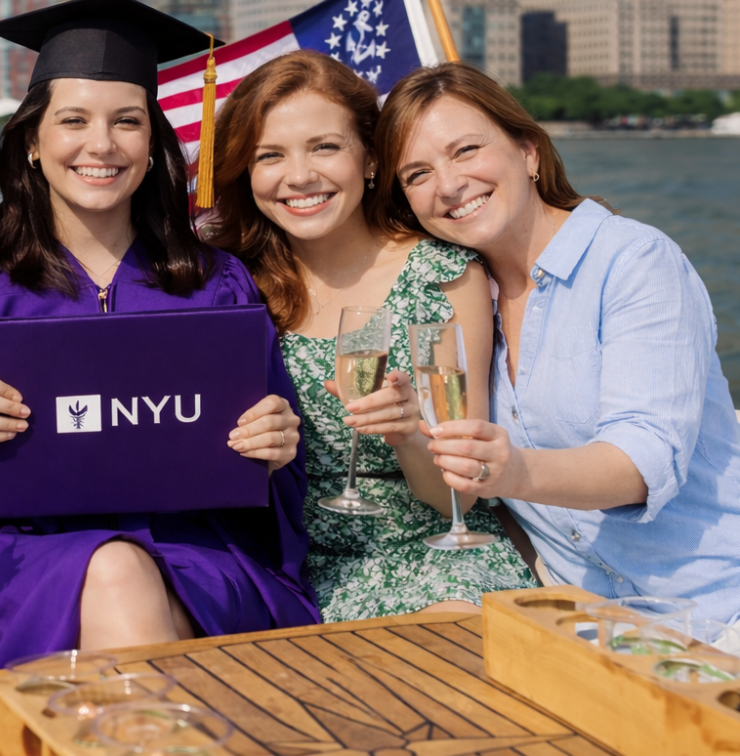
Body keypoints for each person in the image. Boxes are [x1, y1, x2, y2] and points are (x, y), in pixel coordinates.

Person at [375, 62, 740, 706]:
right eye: (417, 174)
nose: (449, 184)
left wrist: (513, 472)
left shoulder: (635, 260)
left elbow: (645, 458)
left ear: (529, 152)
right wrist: (407, 435)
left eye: (466, 149)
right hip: (613, 628)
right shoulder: (457, 304)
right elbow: (458, 486)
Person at [0, 0, 320, 683]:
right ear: (32, 139)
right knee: (115, 573)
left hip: (199, 551)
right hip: (19, 561)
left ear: (153, 144)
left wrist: (272, 448)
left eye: (127, 122)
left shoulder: (217, 281)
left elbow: (276, 482)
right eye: (74, 120)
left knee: (125, 579)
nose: (102, 145)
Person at [207, 51, 536, 621]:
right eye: (270, 156)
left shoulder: (443, 276)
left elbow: (459, 496)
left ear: (369, 159)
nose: (300, 175)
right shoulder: (229, 287)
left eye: (325, 147)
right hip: (280, 562)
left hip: (431, 555)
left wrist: (408, 434)